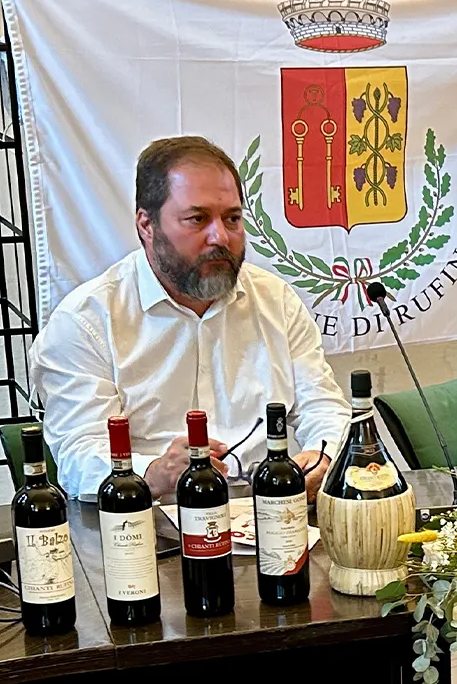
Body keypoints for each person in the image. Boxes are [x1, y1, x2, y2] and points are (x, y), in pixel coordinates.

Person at [34, 135, 349, 501]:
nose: (220, 236)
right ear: (146, 225)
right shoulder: (86, 321)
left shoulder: (275, 300)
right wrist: (157, 473)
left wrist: (323, 457)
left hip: (265, 516)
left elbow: (323, 406)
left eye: (232, 218)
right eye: (197, 219)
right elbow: (78, 458)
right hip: (145, 529)